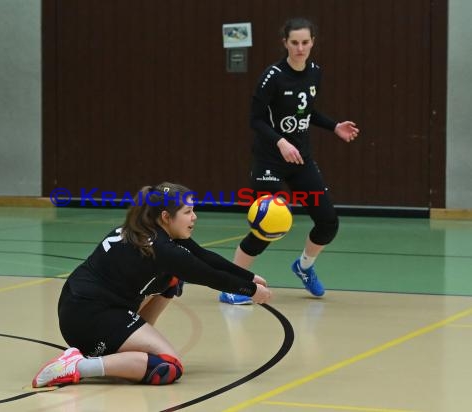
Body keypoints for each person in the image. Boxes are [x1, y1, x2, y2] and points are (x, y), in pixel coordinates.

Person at [32, 182, 272, 388]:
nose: (194, 217)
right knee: (168, 366)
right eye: (188, 212)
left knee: (172, 280)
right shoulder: (163, 249)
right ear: (166, 217)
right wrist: (252, 292)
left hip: (77, 306)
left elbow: (204, 257)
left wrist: (249, 277)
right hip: (90, 318)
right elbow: (210, 276)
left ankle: (119, 347)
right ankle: (79, 366)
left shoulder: (147, 230)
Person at [219, 17, 359, 305]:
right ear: (285, 43)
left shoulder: (314, 73)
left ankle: (304, 267)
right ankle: (232, 284)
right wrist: (280, 141)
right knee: (269, 223)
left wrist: (333, 126)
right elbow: (255, 120)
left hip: (301, 158)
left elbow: (306, 111)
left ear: (312, 43)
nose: (300, 48)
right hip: (270, 158)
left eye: (305, 42)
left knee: (328, 222)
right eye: (294, 43)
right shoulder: (272, 76)